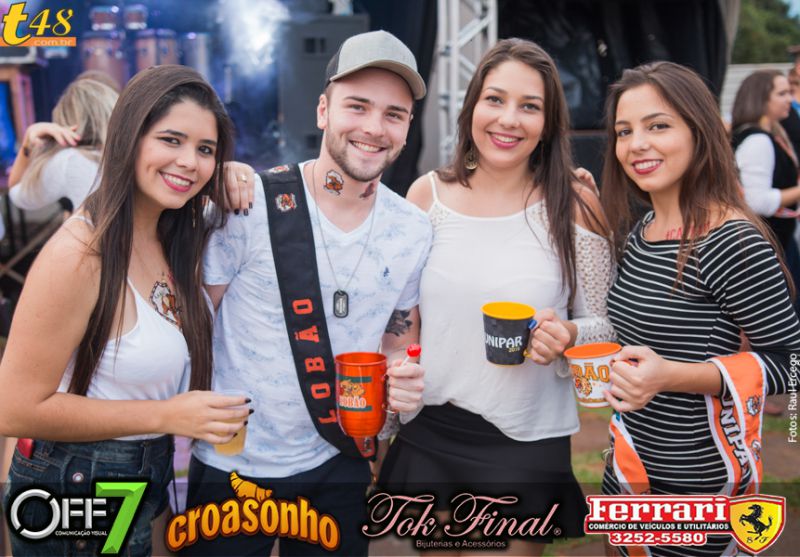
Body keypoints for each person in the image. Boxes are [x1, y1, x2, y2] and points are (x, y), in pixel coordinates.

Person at [182, 30, 429, 557]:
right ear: (322, 111)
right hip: (233, 465)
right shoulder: (248, 205)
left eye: (394, 114)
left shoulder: (412, 229)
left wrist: (401, 378)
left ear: (408, 128)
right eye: (357, 106)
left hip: (337, 460)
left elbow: (396, 337)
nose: (374, 127)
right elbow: (193, 326)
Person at [0, 65, 251, 557]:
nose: (189, 161)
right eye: (171, 140)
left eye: (205, 149)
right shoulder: (80, 254)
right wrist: (167, 414)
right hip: (80, 483)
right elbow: (13, 406)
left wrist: (233, 172)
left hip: (137, 475)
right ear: (128, 139)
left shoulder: (171, 232)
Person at [378, 38, 615, 556]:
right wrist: (385, 423)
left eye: (529, 106)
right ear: (472, 108)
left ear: (548, 123)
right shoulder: (426, 196)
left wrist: (568, 335)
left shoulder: (575, 203)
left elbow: (608, 325)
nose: (508, 119)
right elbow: (401, 321)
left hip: (524, 440)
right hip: (428, 430)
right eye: (495, 99)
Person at [600, 61, 800, 557]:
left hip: (700, 482)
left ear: (699, 131)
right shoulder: (642, 231)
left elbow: (790, 362)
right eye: (624, 131)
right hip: (629, 465)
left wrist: (671, 376)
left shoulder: (731, 240)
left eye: (657, 126)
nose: (636, 144)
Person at [731, 69, 800, 305]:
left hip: (776, 240)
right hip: (770, 243)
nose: (789, 99)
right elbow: (757, 202)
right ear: (761, 98)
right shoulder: (758, 140)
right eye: (782, 93)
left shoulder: (767, 134)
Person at [6, 77, 117, 212]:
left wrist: (28, 141)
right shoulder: (133, 154)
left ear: (67, 123)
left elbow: (17, 195)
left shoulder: (70, 161)